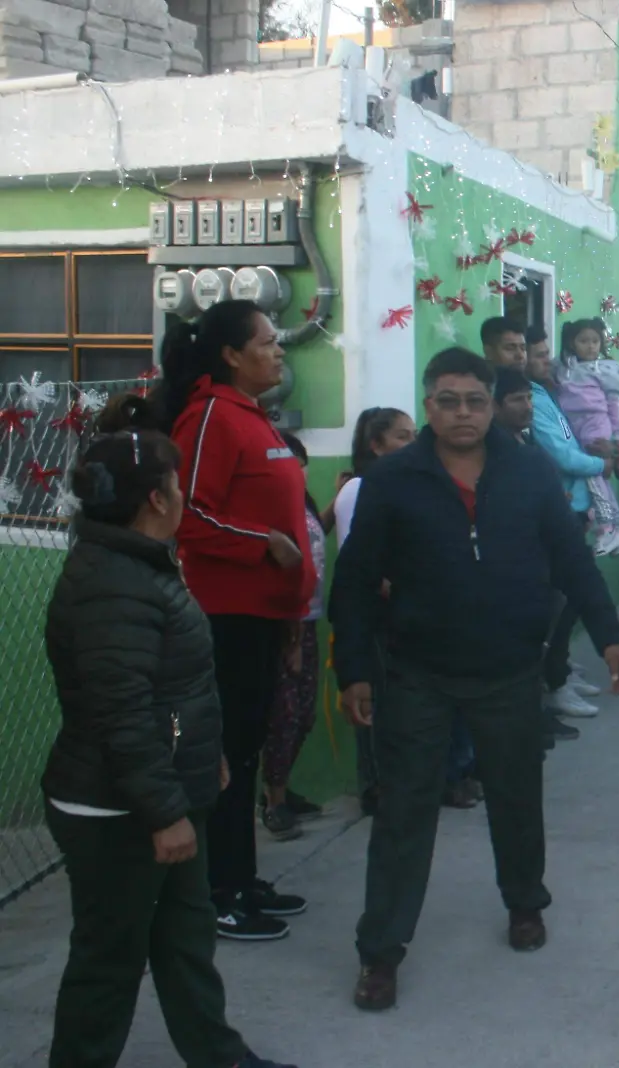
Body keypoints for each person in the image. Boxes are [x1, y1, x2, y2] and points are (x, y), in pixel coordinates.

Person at [332, 347, 619, 1012]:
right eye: (447, 400)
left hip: (508, 672)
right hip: (417, 674)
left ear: (492, 403)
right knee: (404, 818)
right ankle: (380, 954)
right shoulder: (394, 480)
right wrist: (352, 668)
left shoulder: (529, 471)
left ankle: (525, 904)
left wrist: (609, 632)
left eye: (474, 400)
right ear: (429, 404)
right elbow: (352, 583)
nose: (462, 413)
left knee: (517, 800)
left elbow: (570, 560)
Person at [40, 400, 298, 1068]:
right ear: (156, 499)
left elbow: (174, 687)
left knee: (184, 941)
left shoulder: (141, 561)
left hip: (161, 794)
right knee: (110, 958)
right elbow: (121, 713)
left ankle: (219, 1055)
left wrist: (202, 759)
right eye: (179, 487)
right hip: (116, 808)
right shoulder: (113, 587)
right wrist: (162, 811)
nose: (185, 497)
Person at [161, 298, 316, 943]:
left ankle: (241, 878)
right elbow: (190, 515)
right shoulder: (210, 419)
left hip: (265, 615)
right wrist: (264, 545)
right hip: (226, 615)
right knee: (223, 759)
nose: (279, 350)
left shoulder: (255, 418)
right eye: (267, 341)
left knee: (245, 754)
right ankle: (216, 895)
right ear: (231, 355)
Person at [526, 333, 619, 724]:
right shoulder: (529, 399)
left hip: (574, 506)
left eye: (546, 353)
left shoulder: (549, 392)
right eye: (539, 355)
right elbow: (559, 453)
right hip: (562, 505)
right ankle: (553, 684)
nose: (547, 360)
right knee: (559, 601)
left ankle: (560, 673)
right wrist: (600, 465)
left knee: (571, 599)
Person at [332, 407, 418, 815]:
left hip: (404, 616)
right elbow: (360, 565)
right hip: (375, 616)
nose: (412, 443)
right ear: (376, 444)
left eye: (414, 434)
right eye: (402, 436)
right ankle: (376, 788)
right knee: (374, 704)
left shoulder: (404, 485)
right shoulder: (359, 488)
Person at [259, 433, 327, 841]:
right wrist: (292, 639)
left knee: (305, 717)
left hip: (310, 621)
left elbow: (315, 548)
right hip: (287, 625)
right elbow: (283, 575)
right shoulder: (273, 511)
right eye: (291, 463)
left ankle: (279, 789)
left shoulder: (304, 505)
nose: (299, 471)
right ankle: (274, 802)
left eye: (302, 463)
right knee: (284, 717)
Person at [556, 318, 619, 557]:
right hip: (573, 427)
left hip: (595, 425)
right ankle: (618, 528)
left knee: (593, 474)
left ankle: (607, 526)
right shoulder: (564, 366)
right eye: (583, 341)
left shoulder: (606, 369)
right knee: (590, 476)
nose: (590, 346)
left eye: (595, 341)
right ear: (572, 343)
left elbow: (616, 404)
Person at [494, 367, 536, 441]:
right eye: (518, 399)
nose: (528, 407)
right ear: (495, 406)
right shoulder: (497, 447)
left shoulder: (527, 439)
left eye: (529, 398)